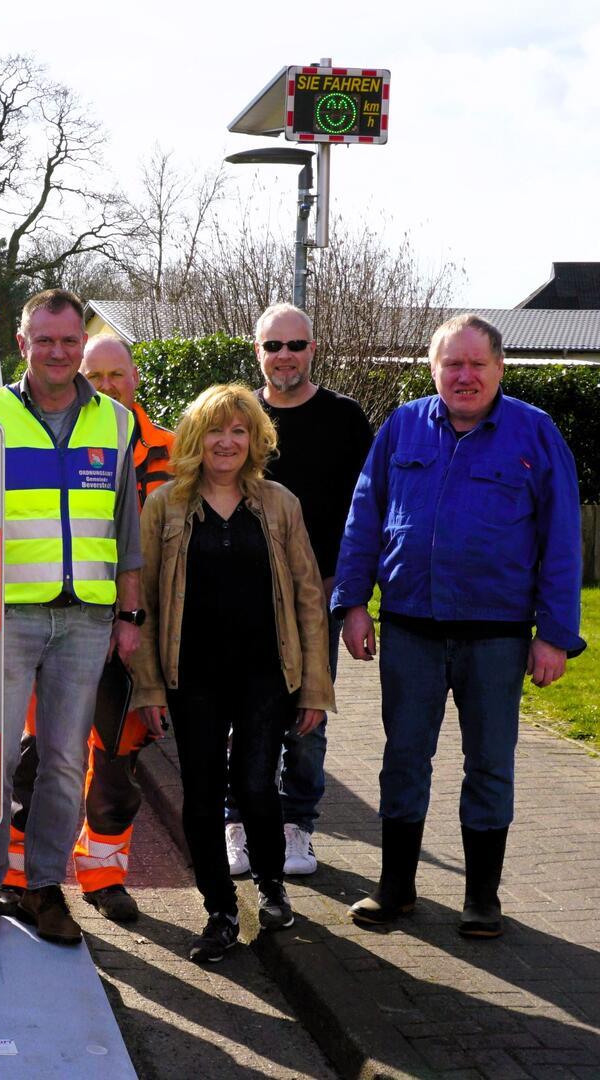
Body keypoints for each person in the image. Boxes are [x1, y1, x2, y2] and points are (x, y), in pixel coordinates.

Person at [333, 314, 583, 939]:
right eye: (453, 363)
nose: (464, 375)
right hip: (411, 630)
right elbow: (364, 516)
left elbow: (562, 540)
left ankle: (481, 897)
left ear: (500, 368)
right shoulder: (401, 428)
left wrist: (554, 634)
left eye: (477, 363)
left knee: (490, 763)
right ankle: (395, 889)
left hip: (496, 635)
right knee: (403, 758)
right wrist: (353, 603)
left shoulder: (535, 433)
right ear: (434, 367)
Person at [0, 289, 142, 946]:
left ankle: (42, 888)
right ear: (23, 345)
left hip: (87, 621)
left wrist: (130, 612)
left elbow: (127, 528)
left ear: (81, 348)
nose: (58, 352)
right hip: (6, 617)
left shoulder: (117, 423)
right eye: (46, 340)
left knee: (65, 761)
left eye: (69, 341)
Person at [130, 384, 330, 963]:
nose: (227, 441)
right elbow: (144, 603)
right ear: (196, 439)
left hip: (267, 673)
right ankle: (218, 909)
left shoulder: (279, 503)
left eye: (239, 431)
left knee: (255, 785)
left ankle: (271, 886)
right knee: (200, 792)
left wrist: (315, 685)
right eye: (216, 431)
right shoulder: (165, 505)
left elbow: (309, 596)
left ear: (255, 439)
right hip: (190, 674)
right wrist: (148, 685)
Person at [3, 333, 173, 924]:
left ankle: (103, 873)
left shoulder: (171, 452)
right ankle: (18, 873)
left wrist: (139, 625)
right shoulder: (34, 425)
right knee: (36, 756)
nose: (104, 387)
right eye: (94, 376)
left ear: (134, 379)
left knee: (117, 763)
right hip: (59, 620)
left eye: (115, 376)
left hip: (131, 632)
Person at [220, 303, 374, 879]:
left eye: (295, 345)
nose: (284, 356)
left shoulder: (344, 418)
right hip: (245, 597)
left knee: (308, 717)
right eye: (272, 346)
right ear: (257, 351)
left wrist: (349, 591)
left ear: (313, 350)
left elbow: (366, 512)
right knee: (238, 716)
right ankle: (235, 823)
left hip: (319, 597)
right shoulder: (239, 416)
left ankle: (296, 826)